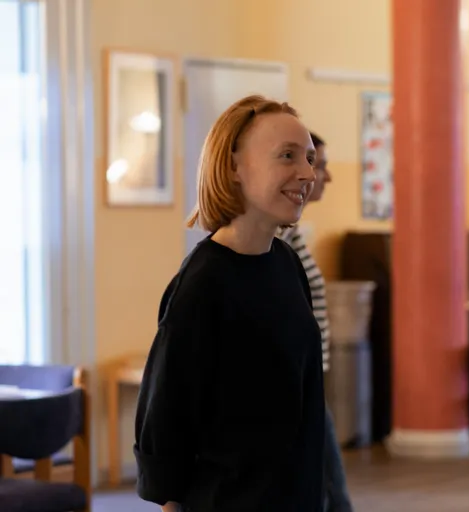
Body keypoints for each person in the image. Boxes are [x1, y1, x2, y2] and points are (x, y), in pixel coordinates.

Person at [134, 95, 326, 512]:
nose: (307, 173)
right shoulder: (203, 284)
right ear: (234, 167)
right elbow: (167, 418)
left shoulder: (288, 265)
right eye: (288, 156)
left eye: (309, 158)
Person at [278, 132, 354, 512]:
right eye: (316, 164)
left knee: (328, 486)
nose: (321, 175)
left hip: (309, 382)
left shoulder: (294, 232)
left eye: (317, 164)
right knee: (331, 489)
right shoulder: (277, 234)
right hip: (295, 386)